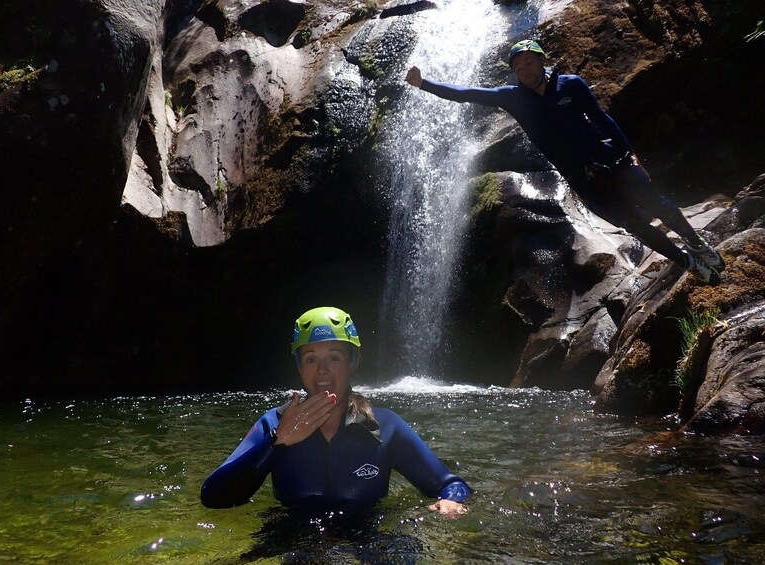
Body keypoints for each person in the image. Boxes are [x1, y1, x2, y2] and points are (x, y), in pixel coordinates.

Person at [405, 39, 725, 284]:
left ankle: (697, 244)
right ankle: (687, 262)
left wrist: (628, 153)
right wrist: (424, 84)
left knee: (658, 204)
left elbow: (601, 119)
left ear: (542, 59)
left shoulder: (570, 85)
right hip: (582, 178)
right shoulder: (512, 98)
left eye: (529, 62)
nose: (525, 71)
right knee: (635, 225)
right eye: (518, 68)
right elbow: (467, 93)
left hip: (610, 159)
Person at [200, 306, 471, 515]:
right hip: (295, 536)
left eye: (334, 357)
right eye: (311, 359)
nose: (322, 370)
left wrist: (451, 502)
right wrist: (278, 441)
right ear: (299, 367)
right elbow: (214, 498)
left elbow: (450, 485)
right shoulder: (274, 423)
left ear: (352, 363)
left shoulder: (385, 426)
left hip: (369, 533)